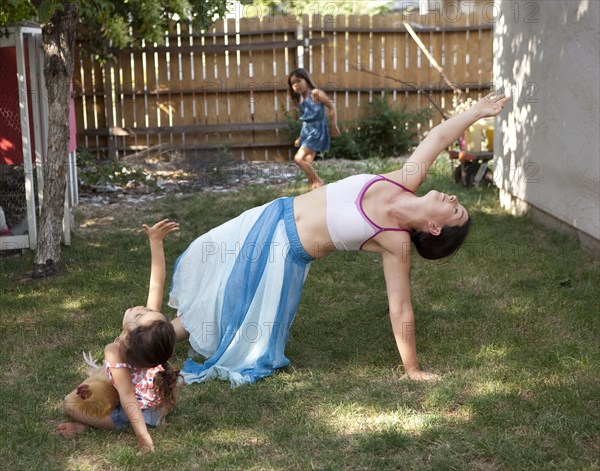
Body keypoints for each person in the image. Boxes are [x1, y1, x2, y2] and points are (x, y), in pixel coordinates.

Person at [168, 93, 511, 386]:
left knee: (226, 300)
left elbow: (401, 307)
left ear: (435, 229)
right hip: (270, 215)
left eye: (455, 210)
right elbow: (437, 138)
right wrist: (477, 111)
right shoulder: (404, 179)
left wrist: (411, 368)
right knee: (211, 272)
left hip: (281, 254)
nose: (453, 199)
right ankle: (147, 340)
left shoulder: (395, 243)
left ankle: (147, 345)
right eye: (456, 202)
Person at [57, 220, 181, 454]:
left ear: (130, 332)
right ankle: (157, 412)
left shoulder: (114, 350)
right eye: (147, 311)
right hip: (158, 401)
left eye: (142, 313)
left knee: (70, 406)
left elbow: (128, 397)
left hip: (144, 411)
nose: (142, 308)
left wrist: (143, 438)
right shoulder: (145, 339)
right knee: (107, 382)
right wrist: (156, 242)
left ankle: (86, 425)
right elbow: (157, 283)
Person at [288, 68, 341, 190]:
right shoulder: (301, 99)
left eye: (298, 81)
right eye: (292, 83)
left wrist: (333, 125)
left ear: (306, 80)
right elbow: (305, 121)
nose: (296, 85)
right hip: (307, 132)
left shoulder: (315, 93)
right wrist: (300, 137)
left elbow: (331, 107)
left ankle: (317, 180)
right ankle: (314, 187)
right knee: (307, 162)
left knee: (298, 158)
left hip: (317, 132)